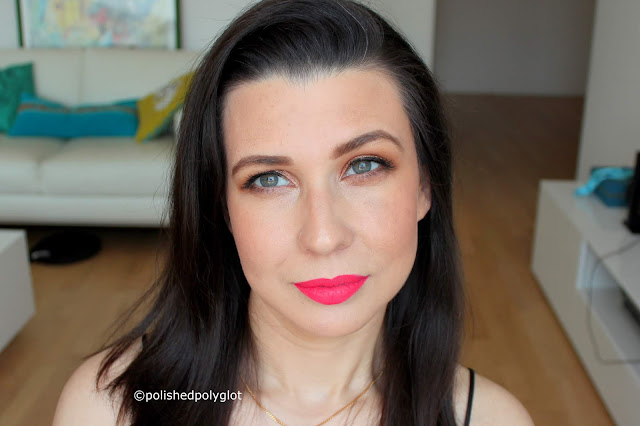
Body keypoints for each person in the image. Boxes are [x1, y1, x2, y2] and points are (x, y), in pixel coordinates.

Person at [52, 0, 535, 424]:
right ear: (221, 207)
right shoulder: (111, 407)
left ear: (425, 185)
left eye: (364, 165)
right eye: (268, 179)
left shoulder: (491, 420)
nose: (323, 236)